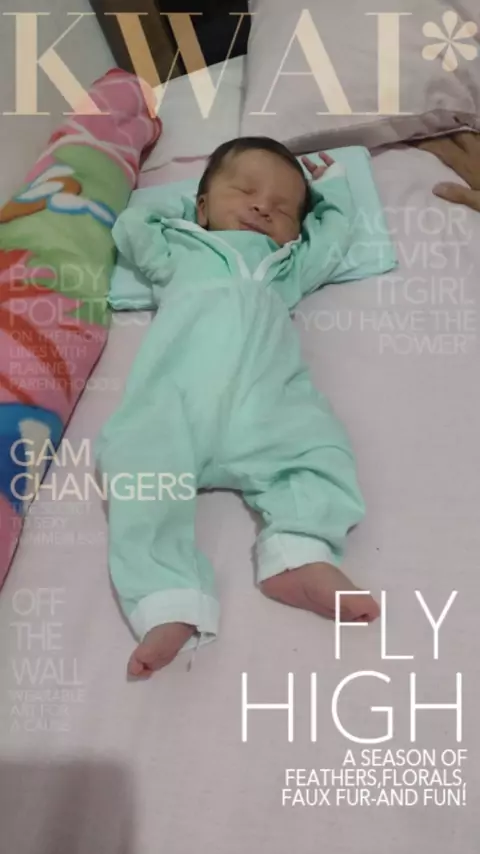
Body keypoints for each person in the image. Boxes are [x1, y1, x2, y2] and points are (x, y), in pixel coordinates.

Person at [96, 137, 380, 679]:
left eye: (283, 208)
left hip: (268, 411)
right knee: (136, 467)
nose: (261, 207)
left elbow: (335, 238)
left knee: (321, 450)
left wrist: (334, 190)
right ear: (202, 205)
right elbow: (132, 226)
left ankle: (299, 553)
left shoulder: (288, 265)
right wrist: (186, 207)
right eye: (245, 191)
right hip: (175, 407)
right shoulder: (180, 249)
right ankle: (168, 599)